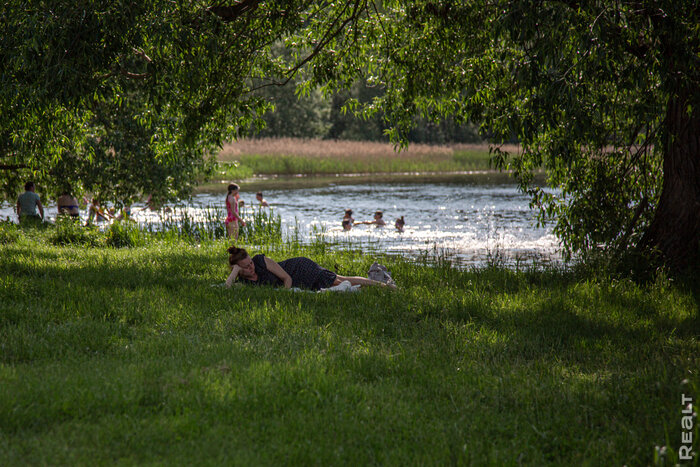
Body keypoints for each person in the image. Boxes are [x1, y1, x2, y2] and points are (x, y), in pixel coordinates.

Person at [225, 247, 396, 290]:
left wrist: (284, 297)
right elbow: (227, 287)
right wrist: (234, 271)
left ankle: (384, 287)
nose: (251, 268)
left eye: (250, 264)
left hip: (299, 269)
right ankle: (379, 282)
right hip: (299, 277)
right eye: (246, 267)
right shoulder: (241, 279)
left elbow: (287, 279)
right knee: (342, 279)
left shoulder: (261, 261)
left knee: (339, 282)